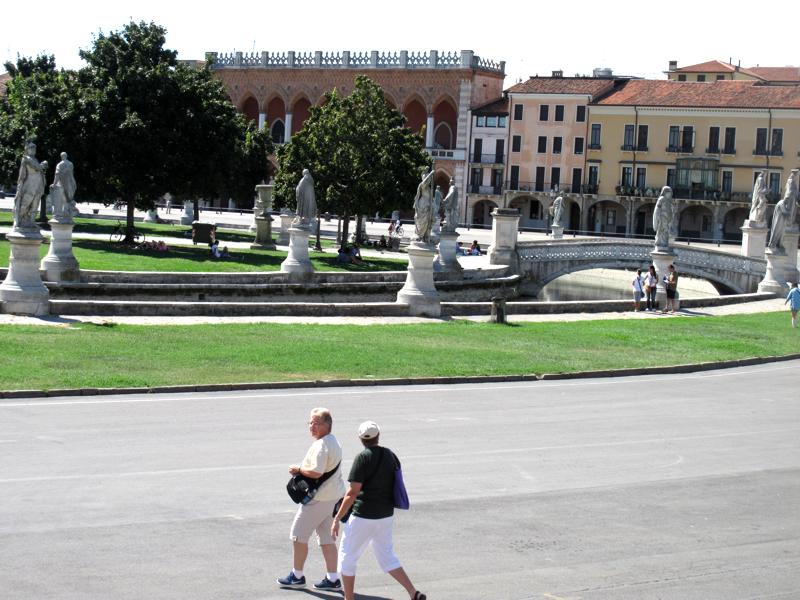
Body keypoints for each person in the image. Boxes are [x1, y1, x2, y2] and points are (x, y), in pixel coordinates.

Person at [332, 421, 426, 600]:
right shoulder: (390, 455)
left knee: (347, 558)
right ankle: (413, 592)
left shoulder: (362, 458)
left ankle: (349, 598)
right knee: (387, 557)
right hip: (385, 516)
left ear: (361, 438)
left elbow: (352, 492)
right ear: (378, 435)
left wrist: (337, 517)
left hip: (362, 516)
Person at [278, 408, 345, 591]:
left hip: (319, 499)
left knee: (298, 534)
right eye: (310, 422)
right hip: (332, 496)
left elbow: (316, 471)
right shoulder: (334, 442)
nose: (312, 426)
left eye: (317, 423)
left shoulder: (321, 445)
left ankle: (297, 576)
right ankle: (333, 579)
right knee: (326, 538)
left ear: (327, 425)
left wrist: (298, 469)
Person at [13, 141, 48, 230]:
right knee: (26, 202)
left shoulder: (35, 159)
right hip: (30, 184)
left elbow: (39, 169)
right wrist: (43, 165)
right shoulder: (26, 159)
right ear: (27, 150)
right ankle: (18, 220)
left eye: (34, 148)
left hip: (38, 185)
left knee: (35, 204)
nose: (33, 150)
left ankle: (31, 222)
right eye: (31, 148)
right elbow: (35, 168)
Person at [413, 170, 434, 243]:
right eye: (428, 179)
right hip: (423, 204)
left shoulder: (428, 188)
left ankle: (425, 236)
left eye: (430, 180)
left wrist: (432, 203)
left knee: (427, 221)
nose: (429, 181)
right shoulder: (422, 185)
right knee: (422, 221)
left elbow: (430, 198)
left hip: (427, 204)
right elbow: (424, 182)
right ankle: (420, 235)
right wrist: (430, 174)